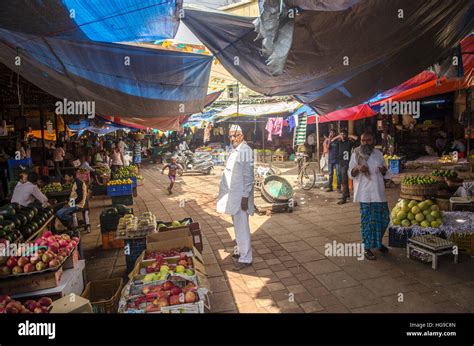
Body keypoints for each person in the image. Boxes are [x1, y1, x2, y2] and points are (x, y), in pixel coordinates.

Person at [216, 124, 254, 271]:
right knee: (237, 226)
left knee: (242, 227)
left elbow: (249, 176)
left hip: (241, 197)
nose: (232, 138)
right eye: (230, 136)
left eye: (235, 135)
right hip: (233, 196)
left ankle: (246, 258)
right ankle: (240, 251)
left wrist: (245, 197)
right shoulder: (234, 150)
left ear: (242, 135)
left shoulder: (246, 151)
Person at [348, 132, 390, 260]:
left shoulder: (378, 154)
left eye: (369, 140)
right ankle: (366, 248)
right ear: (360, 141)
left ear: (373, 140)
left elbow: (386, 172)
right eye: (363, 140)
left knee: (384, 219)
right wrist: (358, 168)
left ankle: (377, 243)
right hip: (364, 193)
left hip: (378, 191)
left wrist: (384, 171)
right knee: (367, 222)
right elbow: (350, 173)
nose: (366, 142)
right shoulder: (356, 153)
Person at [332, 129, 358, 204]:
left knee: (344, 181)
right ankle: (347, 194)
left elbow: (357, 139)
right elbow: (332, 141)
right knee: (343, 180)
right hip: (340, 163)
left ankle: (344, 198)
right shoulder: (339, 142)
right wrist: (339, 136)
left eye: (344, 134)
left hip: (346, 163)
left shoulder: (349, 142)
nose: (342, 136)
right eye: (341, 134)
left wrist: (349, 135)